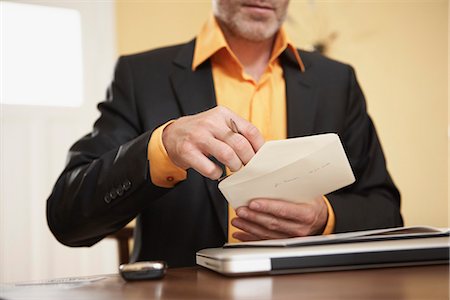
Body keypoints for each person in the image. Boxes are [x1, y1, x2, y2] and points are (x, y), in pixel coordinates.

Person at [47, 0, 403, 267]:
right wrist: (162, 146)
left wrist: (325, 218)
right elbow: (67, 219)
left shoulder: (337, 81)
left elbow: (386, 212)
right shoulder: (140, 76)